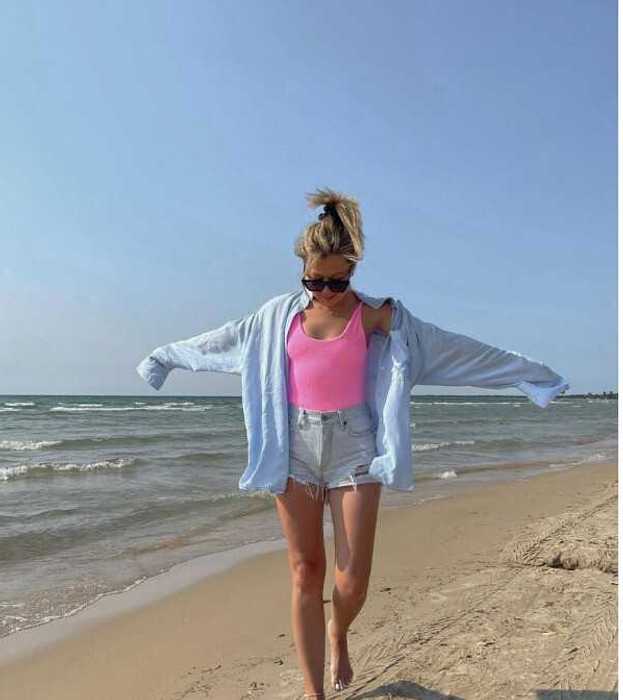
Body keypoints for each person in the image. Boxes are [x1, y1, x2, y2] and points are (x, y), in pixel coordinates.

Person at [136, 189, 567, 700]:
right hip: (292, 446)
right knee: (305, 571)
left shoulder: (377, 316)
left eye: (336, 281)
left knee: (352, 580)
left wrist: (530, 375)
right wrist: (162, 358)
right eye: (313, 280)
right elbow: (218, 342)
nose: (325, 291)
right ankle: (314, 692)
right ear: (302, 269)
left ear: (354, 269)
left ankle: (338, 631)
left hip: (355, 447)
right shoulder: (276, 318)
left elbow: (458, 351)